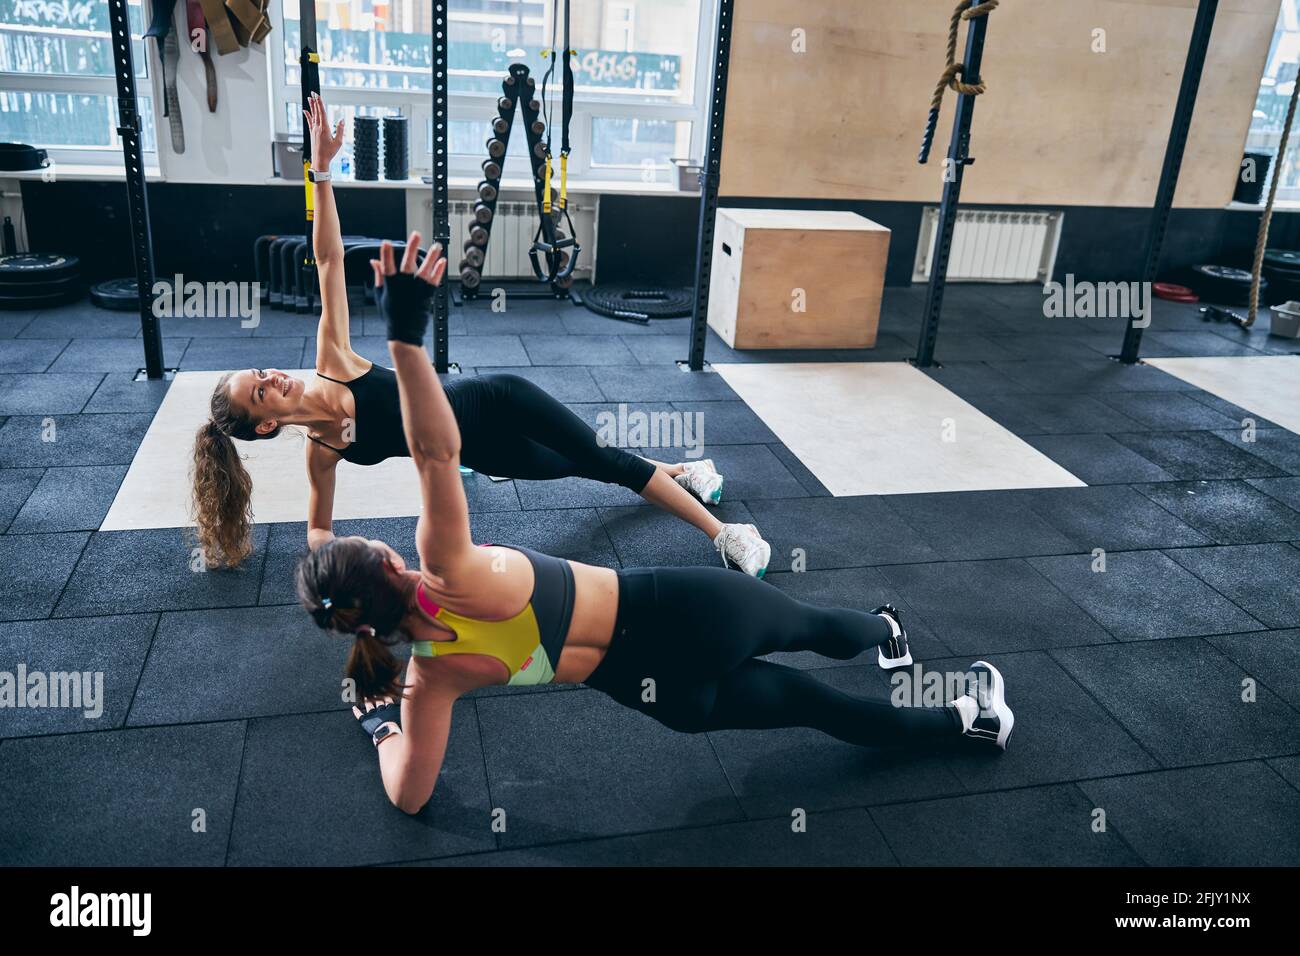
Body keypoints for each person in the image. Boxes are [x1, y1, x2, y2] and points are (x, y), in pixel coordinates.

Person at [295, 234, 1014, 815]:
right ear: (388, 564)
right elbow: (437, 448)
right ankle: (887, 633)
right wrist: (405, 342)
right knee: (820, 629)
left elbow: (409, 796)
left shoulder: (431, 679)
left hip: (668, 696)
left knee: (818, 707)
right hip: (694, 612)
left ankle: (966, 724)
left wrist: (382, 723)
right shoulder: (446, 565)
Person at [191, 92, 769, 576]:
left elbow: (328, 262)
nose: (271, 378)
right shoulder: (322, 453)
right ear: (266, 424)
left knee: (604, 459)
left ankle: (725, 535)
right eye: (260, 391)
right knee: (588, 463)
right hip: (483, 449)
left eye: (260, 373)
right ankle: (684, 471)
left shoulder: (332, 358)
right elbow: (318, 528)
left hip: (497, 400)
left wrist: (320, 173)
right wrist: (339, 557)